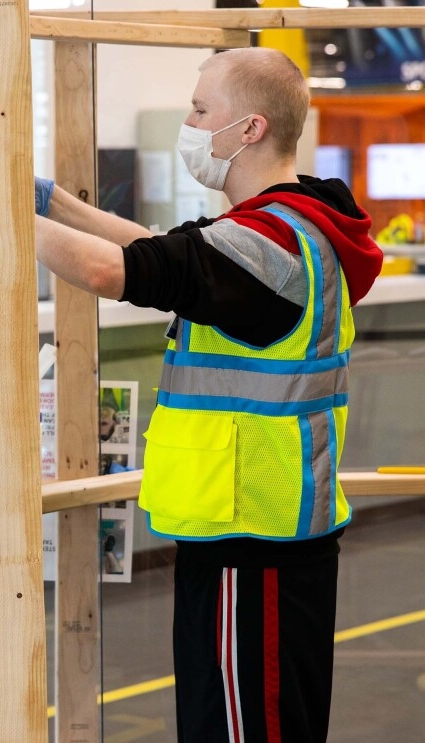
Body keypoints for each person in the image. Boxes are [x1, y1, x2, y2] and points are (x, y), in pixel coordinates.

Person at [34, 47, 383, 743]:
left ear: (248, 129)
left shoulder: (265, 244)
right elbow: (166, 255)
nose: (188, 124)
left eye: (200, 111)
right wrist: (52, 205)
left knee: (242, 727)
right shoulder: (291, 225)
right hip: (251, 526)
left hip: (249, 533)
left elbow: (115, 272)